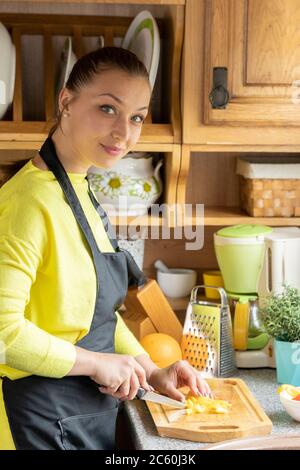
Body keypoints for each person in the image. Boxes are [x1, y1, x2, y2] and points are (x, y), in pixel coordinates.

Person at [0, 47, 211, 450]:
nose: (124, 133)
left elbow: (97, 321)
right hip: (34, 422)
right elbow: (3, 333)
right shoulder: (27, 203)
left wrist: (151, 370)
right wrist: (98, 364)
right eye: (107, 108)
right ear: (66, 101)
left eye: (136, 117)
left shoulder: (83, 193)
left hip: (84, 413)